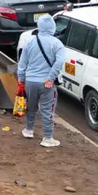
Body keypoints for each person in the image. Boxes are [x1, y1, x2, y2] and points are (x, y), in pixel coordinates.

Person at [16, 15, 65, 147]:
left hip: (30, 81)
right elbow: (59, 62)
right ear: (53, 27)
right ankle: (47, 137)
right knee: (48, 109)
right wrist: (51, 77)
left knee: (30, 106)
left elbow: (22, 63)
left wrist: (21, 80)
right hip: (46, 83)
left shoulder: (30, 41)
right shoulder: (57, 44)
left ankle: (29, 130)